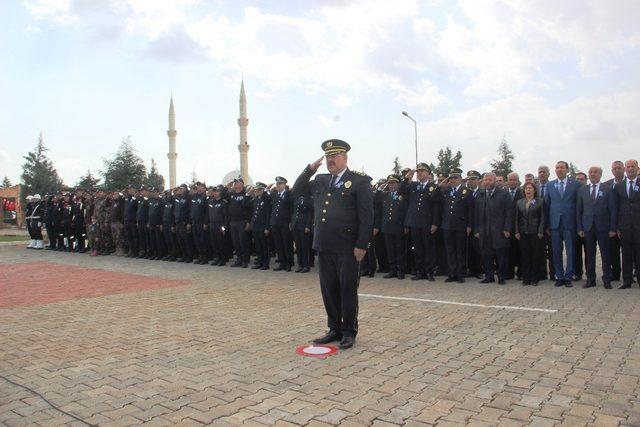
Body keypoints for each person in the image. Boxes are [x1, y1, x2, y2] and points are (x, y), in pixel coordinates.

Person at [291, 139, 373, 350]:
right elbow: (296, 191)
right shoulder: (320, 179)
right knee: (329, 289)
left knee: (347, 288)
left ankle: (348, 331)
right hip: (324, 244)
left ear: (345, 158)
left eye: (335, 156)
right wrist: (309, 169)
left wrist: (362, 244)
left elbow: (367, 216)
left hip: (348, 246)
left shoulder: (359, 181)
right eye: (328, 157)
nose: (330, 160)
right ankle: (334, 328)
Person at [398, 163, 441, 281]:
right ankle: (420, 271)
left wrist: (435, 223)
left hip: (427, 222)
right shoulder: (413, 185)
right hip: (415, 222)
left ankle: (429, 272)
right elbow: (400, 191)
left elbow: (436, 207)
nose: (420, 173)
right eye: (418, 171)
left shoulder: (434, 187)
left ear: (428, 174)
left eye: (422, 171)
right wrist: (407, 178)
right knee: (417, 248)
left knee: (428, 248)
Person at [577, 166, 617, 288]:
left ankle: (607, 279)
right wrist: (580, 228)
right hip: (588, 227)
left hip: (603, 227)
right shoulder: (583, 190)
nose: (592, 174)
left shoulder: (608, 189)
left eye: (595, 172)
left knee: (605, 254)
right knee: (589, 254)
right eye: (590, 172)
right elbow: (579, 210)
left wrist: (612, 228)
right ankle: (590, 279)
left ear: (600, 174)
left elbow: (613, 210)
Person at [473, 172, 513, 284]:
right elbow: (476, 214)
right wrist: (476, 230)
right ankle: (489, 276)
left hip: (500, 231)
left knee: (500, 255)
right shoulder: (480, 195)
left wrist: (507, 228)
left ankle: (501, 277)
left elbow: (509, 212)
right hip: (484, 231)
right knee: (486, 255)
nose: (487, 182)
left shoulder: (504, 194)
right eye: (485, 180)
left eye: (490, 180)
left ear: (495, 181)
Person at [545, 161, 580, 287]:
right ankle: (559, 276)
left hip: (569, 223)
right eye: (557, 168)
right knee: (556, 251)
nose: (559, 170)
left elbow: (578, 205)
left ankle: (568, 276)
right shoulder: (550, 185)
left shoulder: (575, 184)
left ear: (567, 170)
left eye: (562, 168)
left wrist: (578, 224)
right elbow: (547, 205)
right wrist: (547, 225)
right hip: (554, 224)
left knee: (570, 251)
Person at [441, 168, 473, 283]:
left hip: (461, 225)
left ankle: (460, 274)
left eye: (455, 177)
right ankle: (452, 273)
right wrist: (444, 183)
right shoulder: (446, 191)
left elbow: (470, 210)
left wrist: (469, 225)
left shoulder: (467, 191)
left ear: (460, 179)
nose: (453, 180)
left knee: (460, 251)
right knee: (450, 251)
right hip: (447, 225)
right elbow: (435, 195)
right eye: (451, 178)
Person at [612, 160, 640, 289]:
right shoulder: (619, 186)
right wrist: (617, 226)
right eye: (628, 166)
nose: (630, 169)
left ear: (637, 168)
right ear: (625, 168)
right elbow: (616, 208)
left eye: (632, 166)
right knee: (626, 254)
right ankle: (627, 281)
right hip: (624, 226)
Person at [514, 182, 545, 286]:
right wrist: (517, 231)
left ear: (534, 190)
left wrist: (540, 231)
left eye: (530, 188)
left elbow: (542, 218)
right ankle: (526, 278)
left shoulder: (540, 201)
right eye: (526, 188)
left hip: (535, 233)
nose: (528, 190)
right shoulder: (519, 202)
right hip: (523, 232)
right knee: (525, 256)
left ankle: (535, 278)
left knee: (535, 256)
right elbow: (517, 218)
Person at [381, 174, 407, 280]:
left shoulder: (403, 196)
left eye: (394, 183)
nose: (391, 185)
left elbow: (405, 212)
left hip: (399, 226)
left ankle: (401, 270)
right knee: (390, 249)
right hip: (387, 226)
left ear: (398, 184)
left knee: (400, 249)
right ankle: (393, 270)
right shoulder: (385, 195)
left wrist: (406, 225)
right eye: (390, 183)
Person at [606, 160, 625, 282]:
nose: (617, 170)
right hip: (610, 224)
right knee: (613, 251)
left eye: (619, 168)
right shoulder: (606, 185)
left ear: (623, 169)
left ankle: (629, 274)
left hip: (627, 223)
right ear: (612, 170)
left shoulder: (629, 183)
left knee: (629, 251)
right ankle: (616, 274)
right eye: (615, 168)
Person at [270, 176, 294, 271]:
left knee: (286, 244)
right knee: (278, 244)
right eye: (277, 184)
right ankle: (282, 263)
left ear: (284, 185)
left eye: (280, 184)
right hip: (276, 223)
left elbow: (292, 209)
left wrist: (290, 222)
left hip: (285, 223)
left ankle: (289, 263)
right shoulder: (275, 195)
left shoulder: (289, 195)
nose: (278, 186)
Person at [228, 178, 252, 268]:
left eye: (237, 182)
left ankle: (245, 260)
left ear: (242, 184)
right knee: (236, 242)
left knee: (243, 242)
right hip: (233, 221)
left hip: (242, 221)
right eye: (235, 182)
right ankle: (239, 259)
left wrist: (248, 222)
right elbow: (222, 194)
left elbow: (249, 209)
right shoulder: (232, 194)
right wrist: (228, 186)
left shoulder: (246, 194)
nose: (235, 183)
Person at [537, 165, 554, 280]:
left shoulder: (553, 186)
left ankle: (553, 274)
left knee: (552, 250)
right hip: (537, 225)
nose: (541, 174)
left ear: (548, 174)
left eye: (544, 172)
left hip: (551, 224)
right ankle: (542, 273)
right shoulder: (534, 187)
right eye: (540, 172)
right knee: (539, 250)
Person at [506, 172, 524, 280]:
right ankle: (509, 272)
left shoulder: (522, 193)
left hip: (519, 227)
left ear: (518, 181)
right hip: (507, 227)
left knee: (520, 250)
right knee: (508, 250)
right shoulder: (503, 193)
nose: (512, 182)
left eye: (514, 180)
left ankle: (521, 273)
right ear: (507, 181)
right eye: (510, 180)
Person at [250, 182, 272, 270]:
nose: (257, 191)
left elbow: (267, 214)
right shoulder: (256, 199)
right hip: (256, 225)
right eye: (256, 190)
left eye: (259, 190)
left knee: (264, 245)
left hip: (263, 226)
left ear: (263, 190)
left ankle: (265, 263)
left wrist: (267, 227)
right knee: (258, 245)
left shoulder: (266, 198)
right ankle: (259, 262)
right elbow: (253, 211)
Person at [465, 170, 483, 278]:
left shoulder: (482, 192)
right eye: (469, 179)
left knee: (478, 249)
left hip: (478, 225)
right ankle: (471, 269)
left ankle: (479, 270)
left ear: (478, 180)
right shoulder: (466, 192)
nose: (470, 181)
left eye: (473, 179)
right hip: (467, 225)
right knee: (469, 249)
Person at [207, 185, 229, 266]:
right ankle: (217, 258)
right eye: (214, 191)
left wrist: (223, 227)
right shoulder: (211, 201)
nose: (215, 193)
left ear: (220, 192)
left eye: (217, 191)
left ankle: (223, 259)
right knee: (214, 243)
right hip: (212, 225)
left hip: (220, 226)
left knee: (221, 243)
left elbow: (225, 216)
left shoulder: (223, 203)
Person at [291, 192, 313, 273]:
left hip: (304, 226)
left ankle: (306, 266)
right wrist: (292, 222)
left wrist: (308, 226)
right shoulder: (297, 197)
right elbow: (294, 211)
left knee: (304, 247)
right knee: (298, 246)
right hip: (296, 225)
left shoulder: (309, 199)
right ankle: (300, 265)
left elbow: (310, 213)